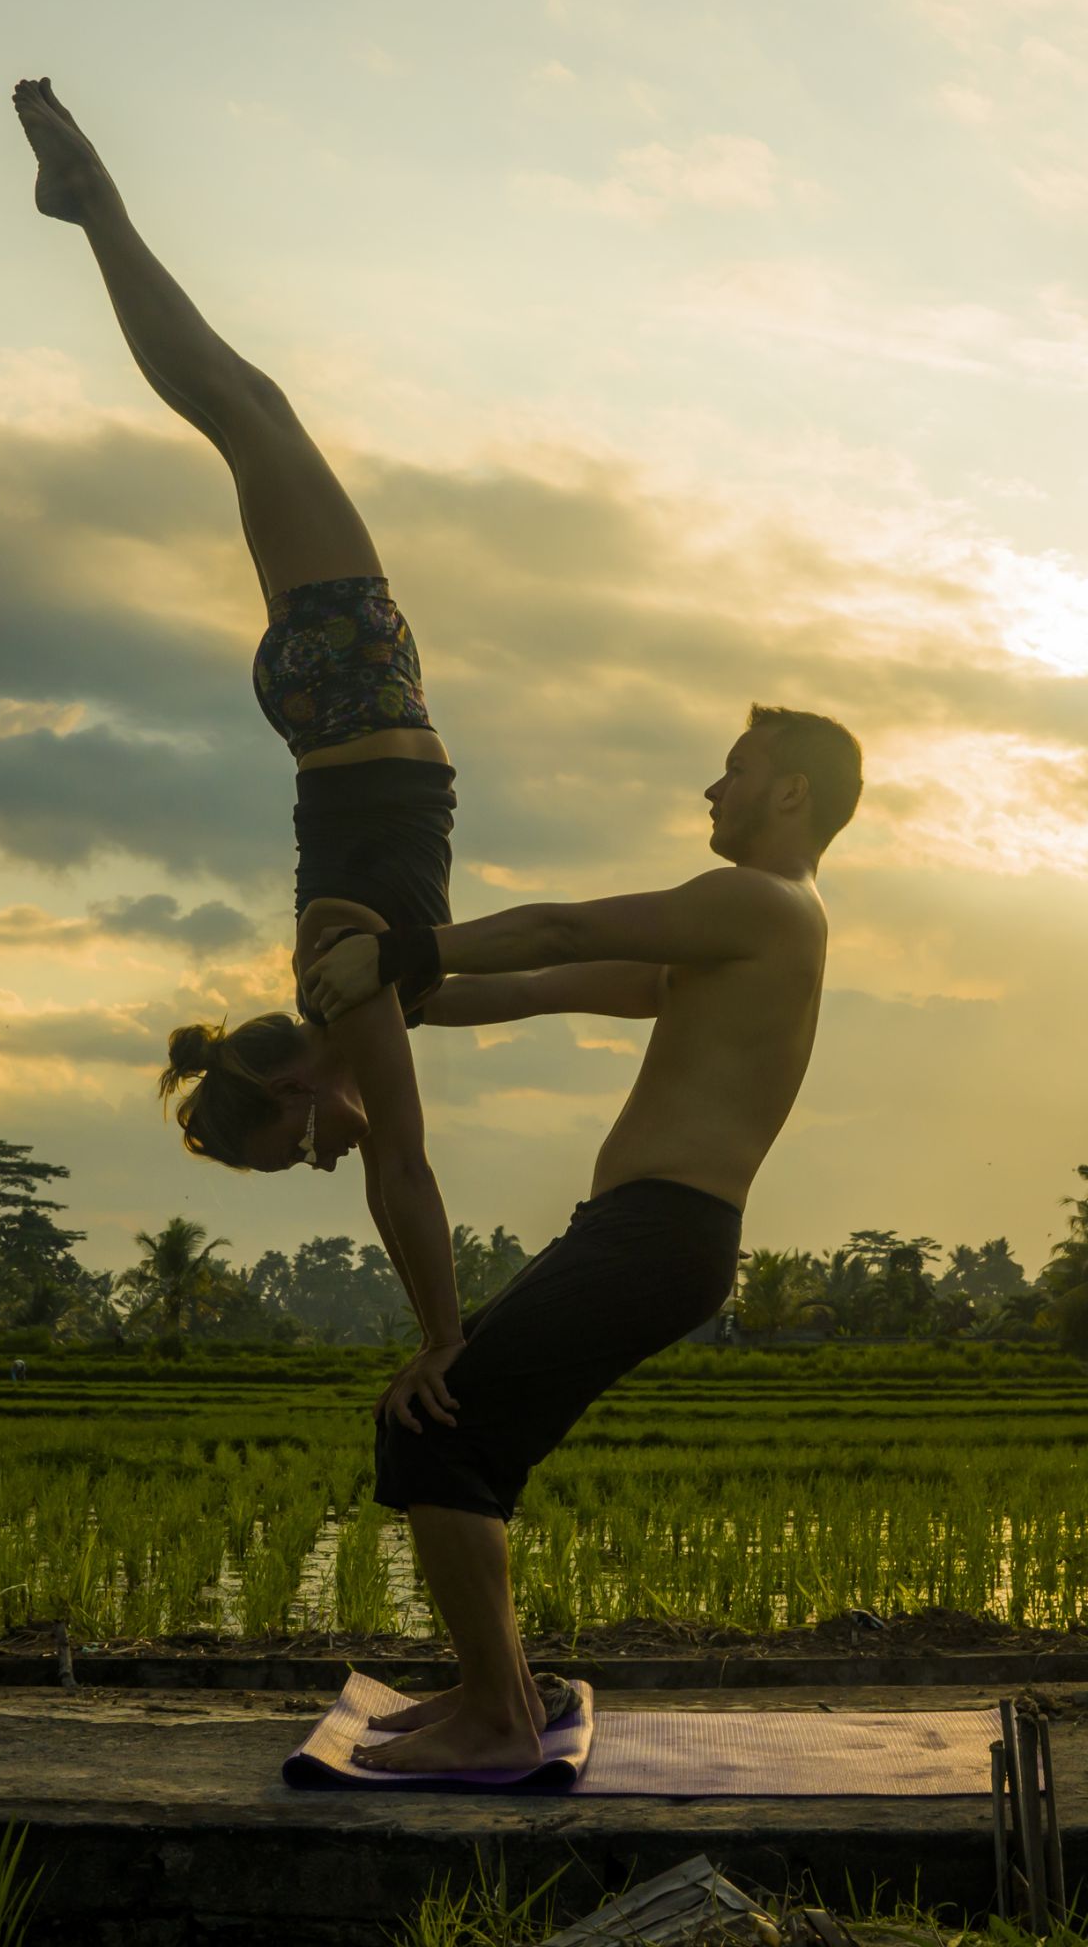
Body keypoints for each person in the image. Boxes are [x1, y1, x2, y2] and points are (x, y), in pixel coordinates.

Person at [11, 78, 470, 1404]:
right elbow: (522, 980)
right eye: (316, 1156)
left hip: (352, 697)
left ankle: (91, 206)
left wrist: (443, 1339)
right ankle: (92, 206)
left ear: (288, 1091)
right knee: (245, 403)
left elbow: (405, 1171)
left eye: (296, 1146)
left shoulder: (348, 985)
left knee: (235, 407)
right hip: (349, 699)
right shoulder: (372, 992)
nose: (328, 1155)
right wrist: (674, 972)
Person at [304, 704, 863, 1775]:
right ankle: (493, 1693)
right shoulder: (743, 933)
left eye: (734, 769)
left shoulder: (756, 902)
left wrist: (400, 947)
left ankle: (499, 1720)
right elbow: (537, 983)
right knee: (449, 1423)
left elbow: (561, 928)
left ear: (790, 792)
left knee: (440, 1433)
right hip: (642, 1231)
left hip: (660, 1232)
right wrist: (391, 999)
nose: (712, 788)